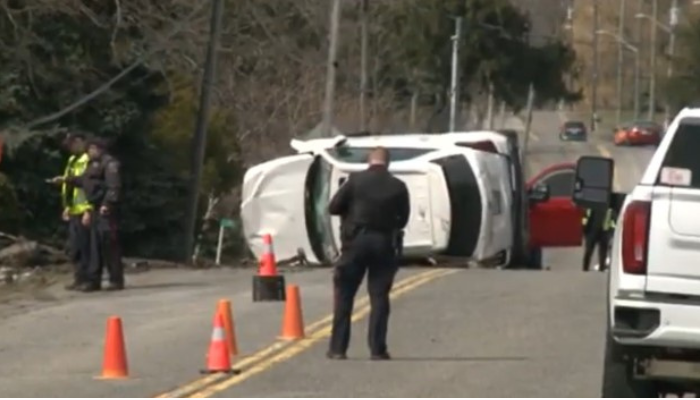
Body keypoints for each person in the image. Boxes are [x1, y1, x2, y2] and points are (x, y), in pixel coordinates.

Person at [326, 147, 410, 361]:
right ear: (388, 163)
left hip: (355, 243)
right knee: (379, 297)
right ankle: (377, 349)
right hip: (384, 243)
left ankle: (338, 349)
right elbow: (403, 219)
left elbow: (333, 207)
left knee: (345, 295)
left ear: (369, 161)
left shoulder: (355, 181)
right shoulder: (398, 186)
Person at [64, 137, 124, 292]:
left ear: (100, 149)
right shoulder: (92, 165)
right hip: (95, 207)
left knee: (108, 243)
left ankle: (115, 279)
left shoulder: (110, 164)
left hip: (106, 209)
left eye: (92, 149)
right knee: (94, 245)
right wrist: (67, 180)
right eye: (88, 149)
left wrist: (107, 204)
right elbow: (85, 181)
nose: (89, 152)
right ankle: (93, 280)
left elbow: (114, 187)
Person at [48, 133, 92, 291]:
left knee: (86, 247)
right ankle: (79, 278)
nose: (70, 148)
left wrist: (89, 209)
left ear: (80, 141)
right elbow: (69, 184)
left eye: (72, 144)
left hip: (85, 209)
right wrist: (66, 206)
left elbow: (88, 185)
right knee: (75, 247)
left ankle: (88, 279)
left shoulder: (88, 159)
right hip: (73, 209)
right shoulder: (72, 160)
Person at [582, 204, 616, 272]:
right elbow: (585, 217)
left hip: (604, 231)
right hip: (592, 230)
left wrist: (611, 231)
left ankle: (602, 267)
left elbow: (613, 220)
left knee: (603, 251)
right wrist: (584, 228)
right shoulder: (592, 206)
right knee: (589, 250)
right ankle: (585, 267)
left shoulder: (610, 208)